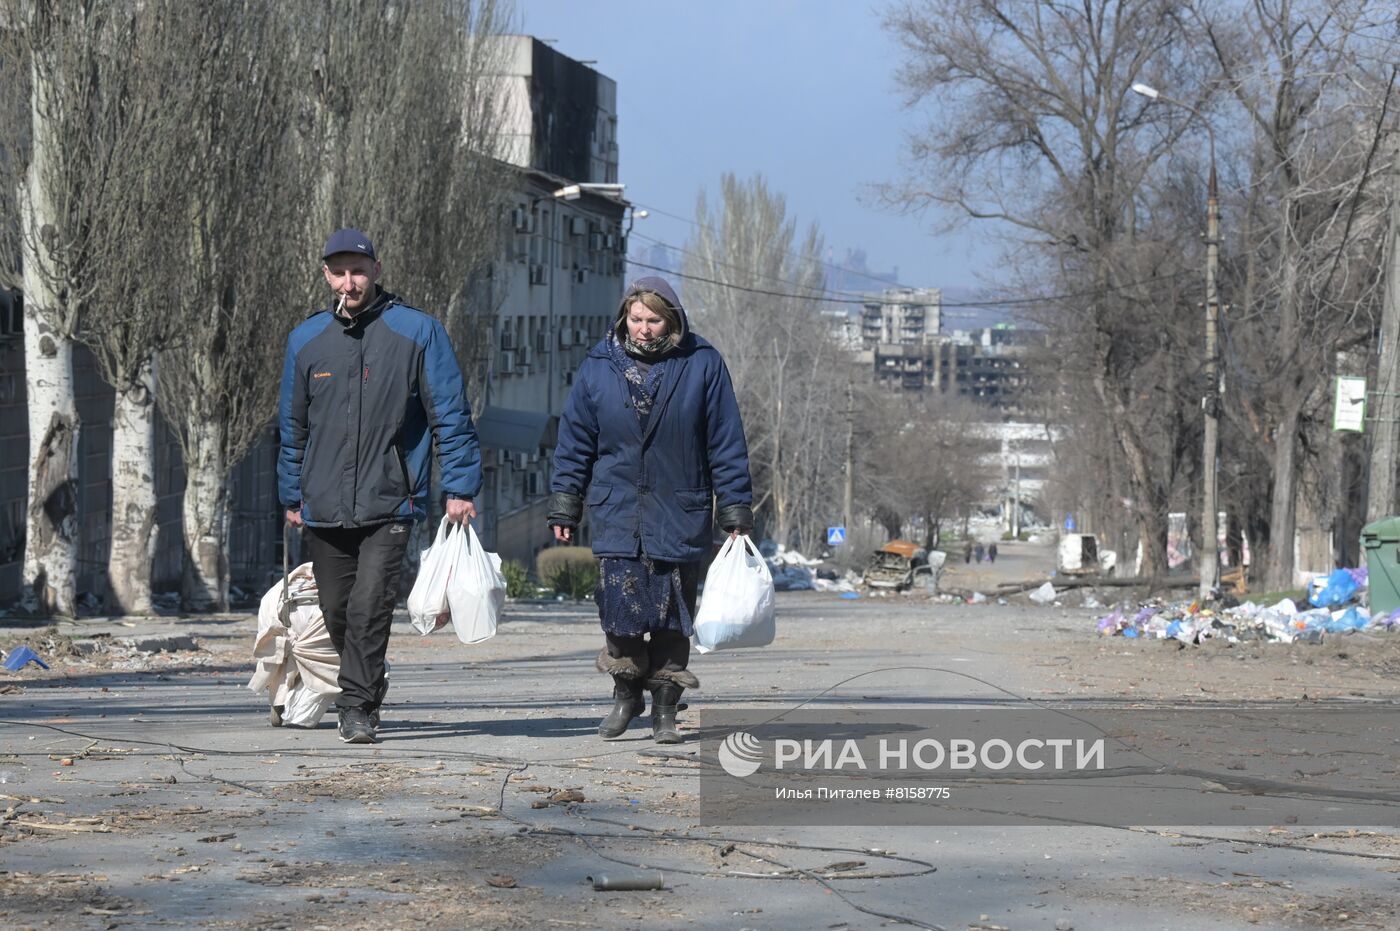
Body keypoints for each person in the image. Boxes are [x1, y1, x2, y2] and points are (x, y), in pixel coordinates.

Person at [278, 228, 482, 744]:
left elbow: (451, 417)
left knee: (370, 606)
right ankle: (368, 675)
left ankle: (358, 705)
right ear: (326, 274)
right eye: (340, 271)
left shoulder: (418, 332)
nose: (350, 281)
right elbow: (293, 427)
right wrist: (291, 494)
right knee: (337, 610)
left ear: (376, 270)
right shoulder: (306, 340)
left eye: (359, 270)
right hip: (322, 501)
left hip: (392, 497)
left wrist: (459, 487)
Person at [548, 276, 753, 744]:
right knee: (619, 614)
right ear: (625, 317)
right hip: (618, 509)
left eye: (653, 320)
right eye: (636, 319)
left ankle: (664, 707)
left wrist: (736, 509)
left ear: (672, 321)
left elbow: (726, 441)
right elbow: (575, 441)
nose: (643, 329)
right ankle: (626, 695)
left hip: (679, 510)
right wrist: (565, 503)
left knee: (672, 616)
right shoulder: (599, 366)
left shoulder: (702, 364)